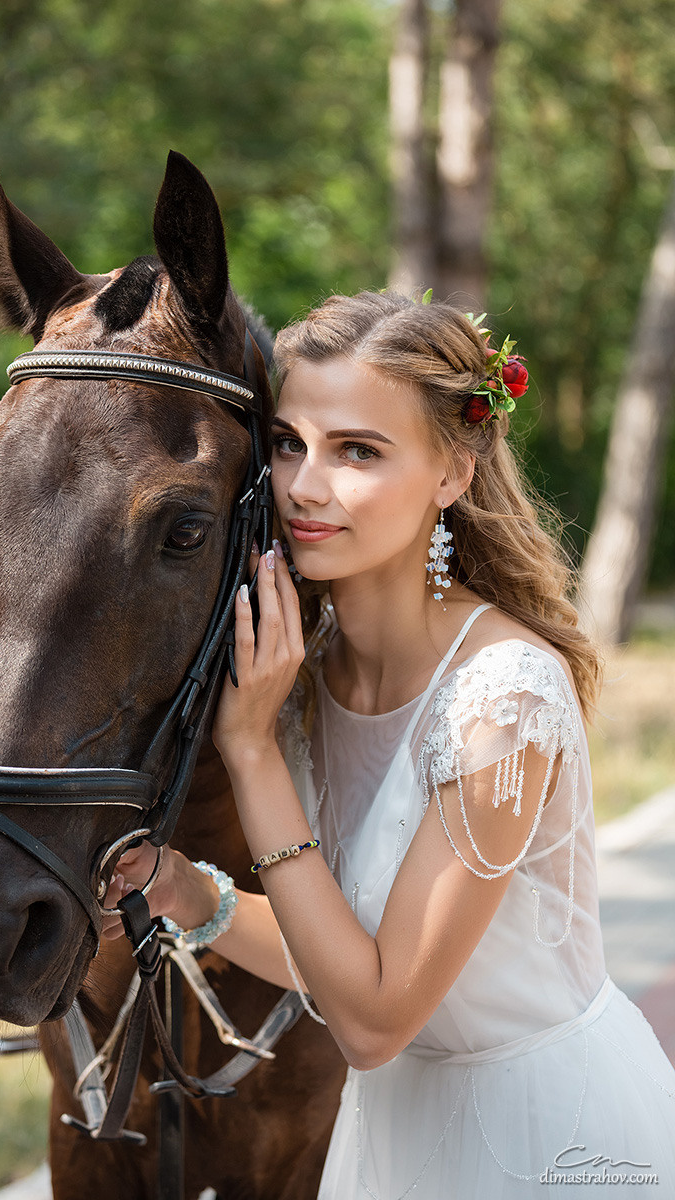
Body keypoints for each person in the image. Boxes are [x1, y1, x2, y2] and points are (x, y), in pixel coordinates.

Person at [102, 291, 675, 1197]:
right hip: (395, 1140)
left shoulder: (504, 697)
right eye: (290, 443)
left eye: (358, 451)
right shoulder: (304, 674)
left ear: (454, 469)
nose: (305, 486)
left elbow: (369, 1021)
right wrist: (187, 890)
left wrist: (250, 752)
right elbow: (338, 956)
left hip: (549, 1140)